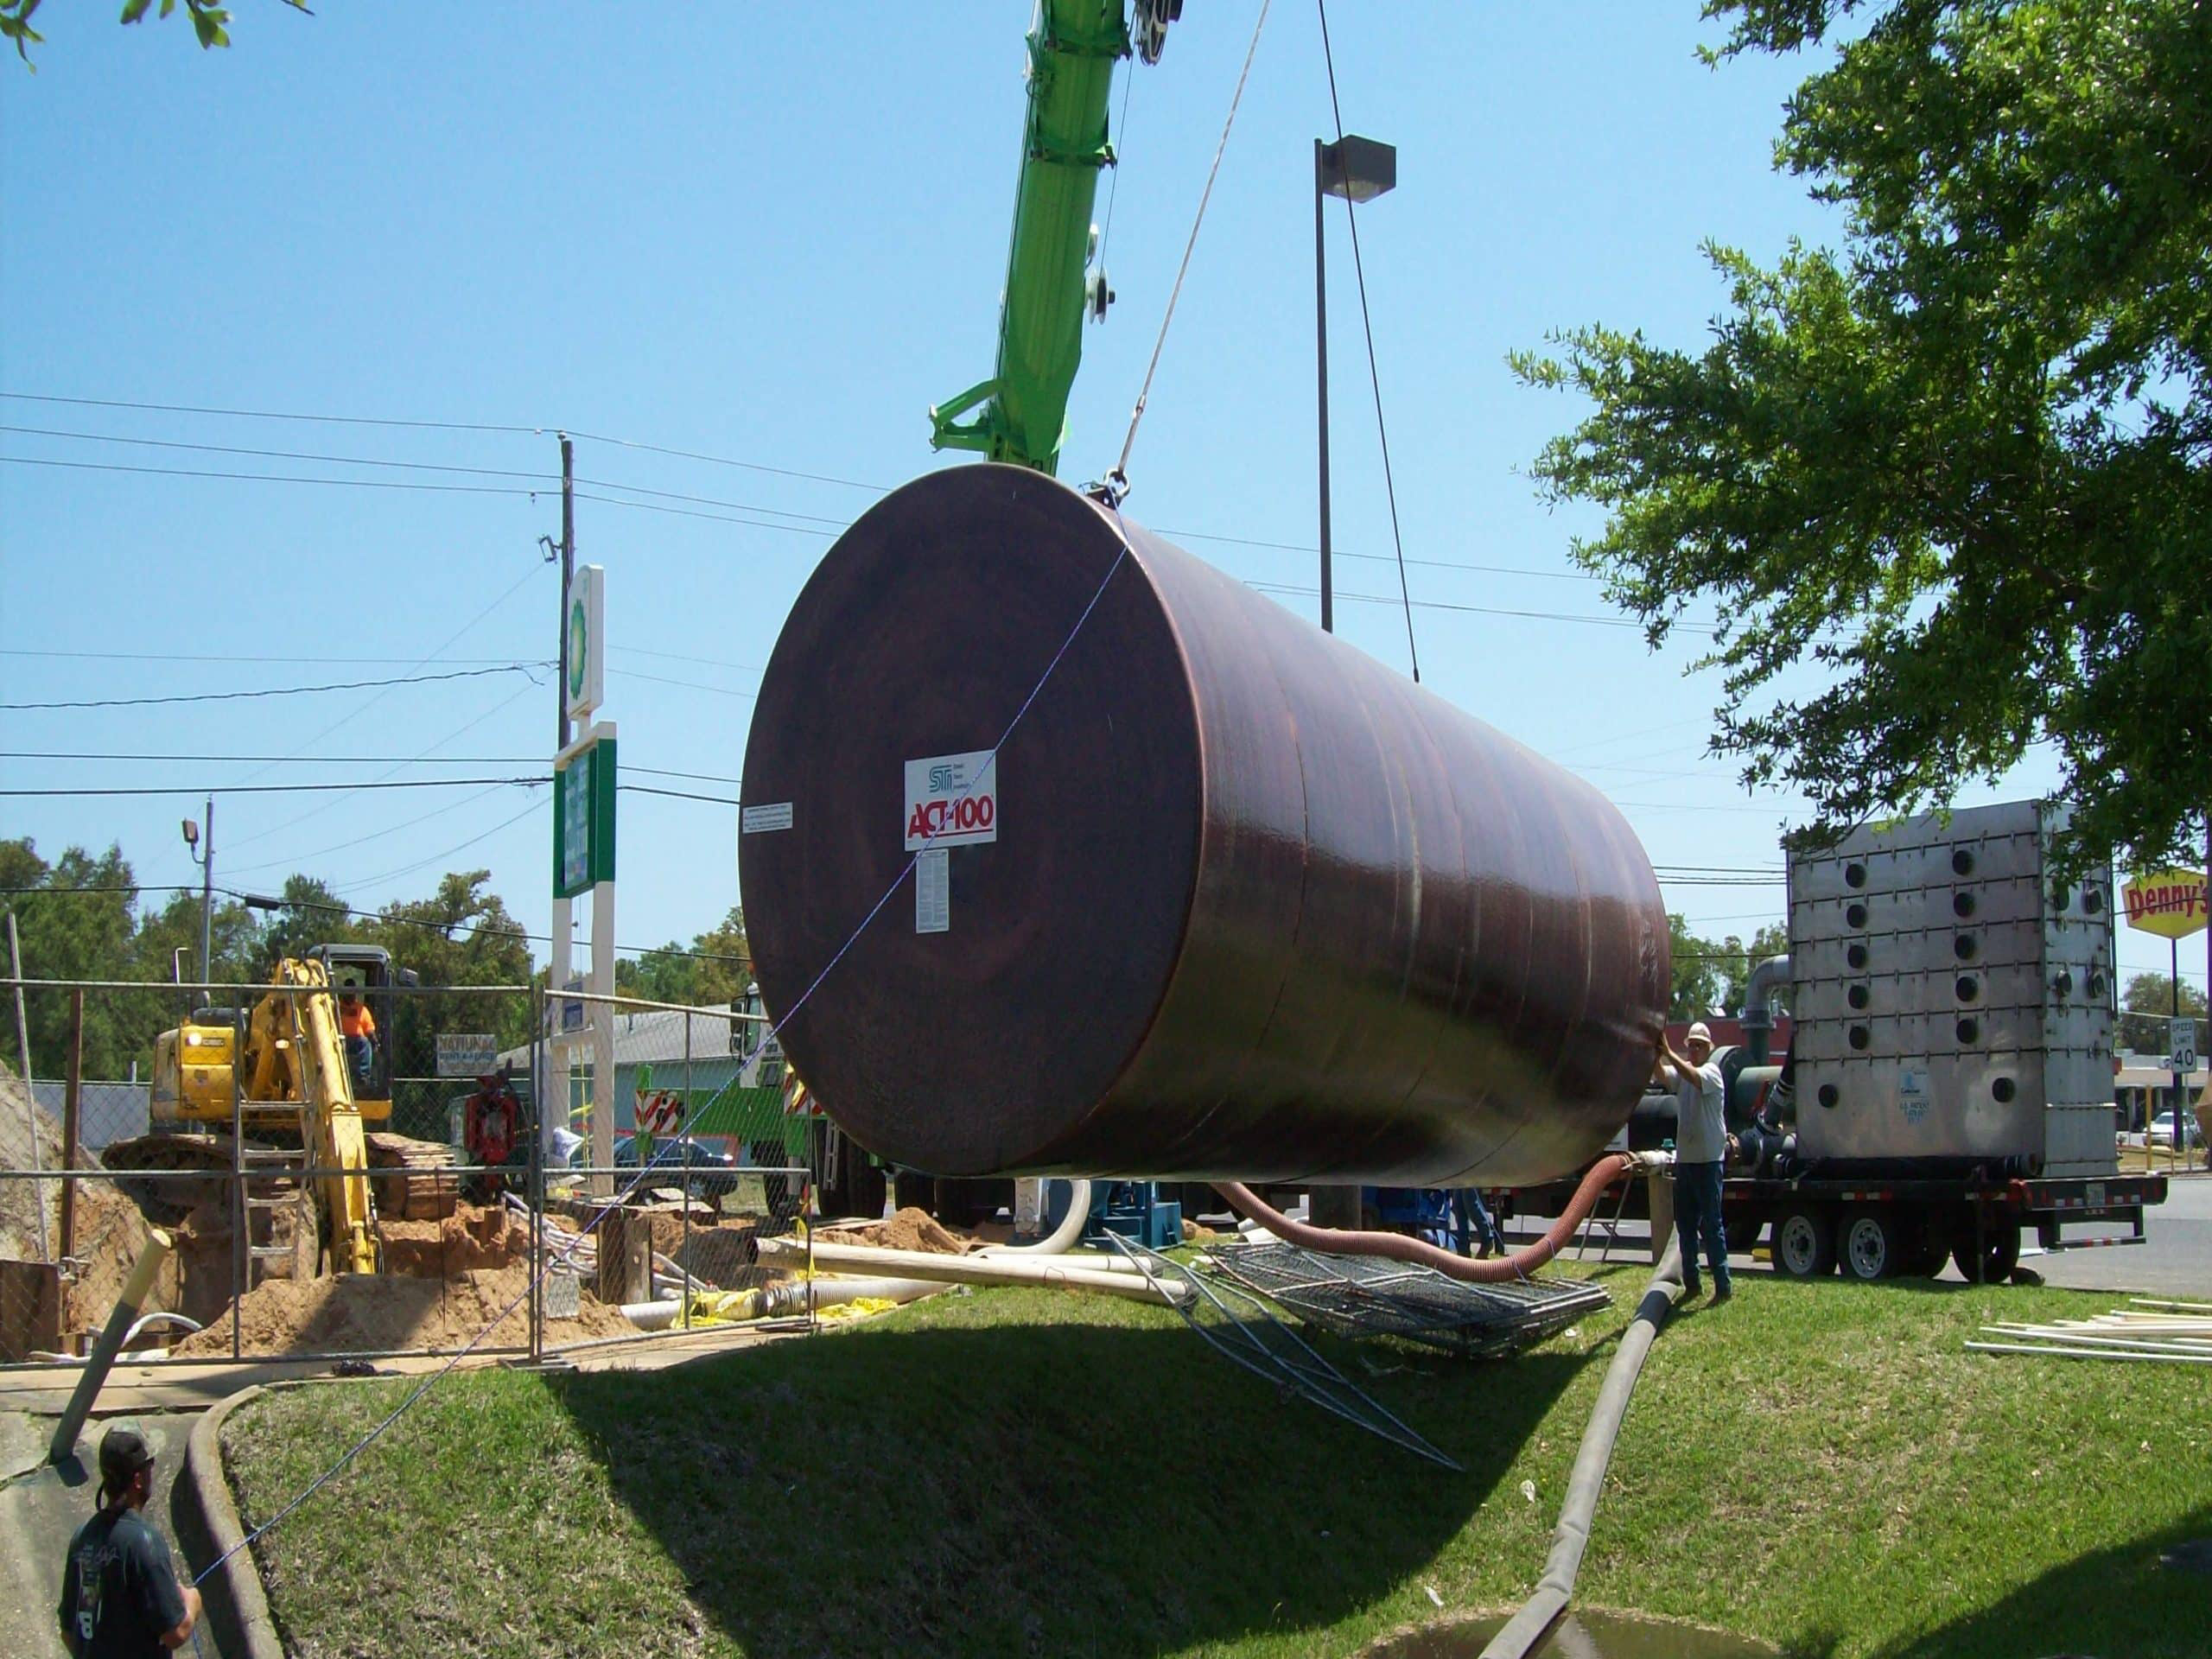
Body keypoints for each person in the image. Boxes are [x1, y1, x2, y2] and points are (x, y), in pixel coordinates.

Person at [58, 1425, 200, 1656]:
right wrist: (192, 1603)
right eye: (150, 1466)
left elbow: (68, 1632)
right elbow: (176, 1633)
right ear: (138, 1479)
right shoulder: (145, 1542)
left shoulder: (82, 1538)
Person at [1656, 1020, 1732, 1303]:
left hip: (1709, 1161)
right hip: (1687, 1161)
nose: (1695, 1049)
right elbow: (1664, 1075)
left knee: (1712, 1225)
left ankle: (1722, 1286)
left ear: (1708, 1049)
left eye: (1699, 1045)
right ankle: (1693, 1283)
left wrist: (1668, 1052)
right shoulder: (1683, 1074)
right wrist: (1655, 1052)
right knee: (1686, 1225)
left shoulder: (1711, 1073)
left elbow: (1691, 1077)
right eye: (1691, 1045)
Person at [338, 989, 377, 1094]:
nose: (350, 996)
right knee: (365, 1044)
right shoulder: (335, 1007)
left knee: (366, 1043)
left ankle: (362, 1077)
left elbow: (369, 1029)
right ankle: (361, 1075)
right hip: (339, 1039)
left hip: (356, 1041)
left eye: (352, 993)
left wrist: (374, 1041)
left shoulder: (361, 1009)